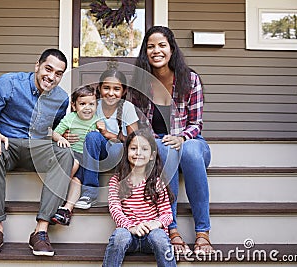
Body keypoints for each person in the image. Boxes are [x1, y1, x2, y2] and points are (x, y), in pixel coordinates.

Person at [0, 48, 74, 256]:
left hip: (36, 150)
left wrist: (63, 137)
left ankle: (40, 231)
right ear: (37, 66)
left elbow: (54, 128)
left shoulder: (62, 99)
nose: (51, 77)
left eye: (58, 73)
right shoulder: (9, 83)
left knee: (65, 153)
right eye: (48, 69)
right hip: (6, 144)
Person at [129, 26, 214, 255]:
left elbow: (196, 124)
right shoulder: (140, 85)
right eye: (150, 47)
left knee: (190, 152)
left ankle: (202, 232)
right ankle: (172, 228)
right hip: (159, 144)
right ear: (145, 53)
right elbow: (140, 128)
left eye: (162, 45)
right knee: (164, 151)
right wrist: (161, 140)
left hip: (191, 141)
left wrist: (181, 138)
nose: (156, 51)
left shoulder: (190, 79)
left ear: (172, 49)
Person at [102, 129, 176, 267]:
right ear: (127, 152)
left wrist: (156, 224)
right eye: (133, 148)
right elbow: (115, 209)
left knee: (159, 237)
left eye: (144, 149)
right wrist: (131, 227)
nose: (138, 153)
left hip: (151, 236)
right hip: (129, 236)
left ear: (152, 155)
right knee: (119, 235)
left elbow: (167, 214)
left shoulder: (157, 182)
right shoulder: (116, 181)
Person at [72, 69, 139, 209]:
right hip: (96, 152)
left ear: (124, 91)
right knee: (92, 136)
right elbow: (76, 123)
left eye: (116, 89)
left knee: (116, 146)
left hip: (119, 154)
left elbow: (136, 141)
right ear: (100, 88)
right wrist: (68, 134)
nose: (110, 93)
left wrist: (111, 135)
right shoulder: (93, 105)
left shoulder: (127, 108)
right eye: (106, 88)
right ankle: (89, 193)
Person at [50, 85, 99, 225]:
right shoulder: (70, 118)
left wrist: (103, 129)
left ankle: (65, 209)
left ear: (96, 105)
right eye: (82, 104)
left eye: (91, 104)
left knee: (77, 179)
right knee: (74, 171)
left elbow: (101, 142)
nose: (87, 108)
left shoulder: (98, 119)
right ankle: (62, 205)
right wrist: (61, 138)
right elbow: (54, 133)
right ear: (74, 105)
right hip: (72, 154)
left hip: (88, 158)